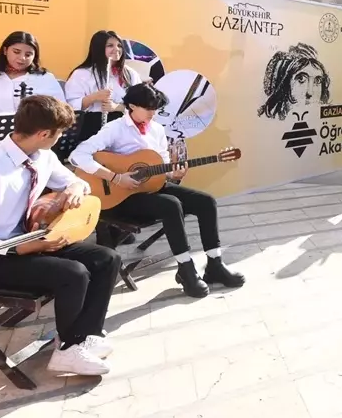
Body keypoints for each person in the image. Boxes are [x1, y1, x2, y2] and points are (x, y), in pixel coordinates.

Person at [0, 95, 120, 376]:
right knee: (73, 273)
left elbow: (75, 180)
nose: (61, 139)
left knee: (106, 258)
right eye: (60, 133)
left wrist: (74, 187)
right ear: (44, 133)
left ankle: (83, 336)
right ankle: (67, 351)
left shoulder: (42, 155)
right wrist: (18, 250)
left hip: (29, 241)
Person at [70, 82, 244, 299]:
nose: (153, 113)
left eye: (156, 108)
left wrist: (174, 174)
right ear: (131, 106)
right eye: (148, 108)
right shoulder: (114, 129)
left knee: (206, 201)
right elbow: (78, 156)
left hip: (150, 187)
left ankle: (215, 264)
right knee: (171, 205)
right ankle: (185, 269)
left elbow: (161, 165)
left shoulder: (157, 129)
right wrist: (115, 177)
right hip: (120, 196)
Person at [0, 31, 66, 155]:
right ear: (5, 50)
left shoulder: (45, 78)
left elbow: (61, 114)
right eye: (16, 52)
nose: (22, 58)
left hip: (35, 147)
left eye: (28, 54)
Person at [64, 31, 143, 142]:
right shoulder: (82, 74)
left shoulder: (130, 74)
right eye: (110, 45)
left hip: (123, 128)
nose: (116, 49)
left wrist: (117, 107)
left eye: (119, 45)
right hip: (91, 127)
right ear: (98, 48)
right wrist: (94, 97)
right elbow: (69, 106)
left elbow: (140, 104)